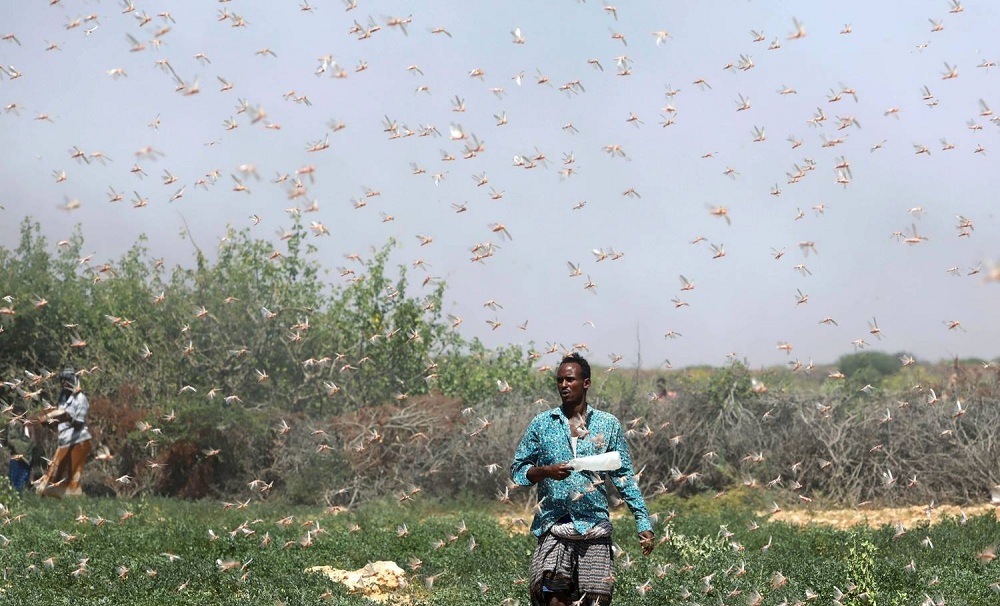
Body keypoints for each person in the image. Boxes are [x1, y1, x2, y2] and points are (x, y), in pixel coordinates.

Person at [511, 352, 655, 606]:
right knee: (552, 598)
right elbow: (518, 471)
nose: (563, 386)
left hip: (594, 528)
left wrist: (642, 521)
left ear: (585, 383)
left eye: (569, 380)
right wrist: (546, 471)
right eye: (559, 381)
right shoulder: (543, 424)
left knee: (595, 601)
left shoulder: (608, 424)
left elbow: (623, 478)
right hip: (554, 526)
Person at [35, 368, 92, 498]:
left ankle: (69, 497)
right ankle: (65, 498)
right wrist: (49, 420)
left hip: (78, 440)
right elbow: (59, 414)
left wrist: (64, 417)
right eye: (62, 381)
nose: (63, 384)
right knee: (57, 474)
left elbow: (77, 422)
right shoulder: (65, 397)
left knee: (63, 475)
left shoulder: (81, 399)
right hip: (65, 440)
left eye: (66, 381)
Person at [3, 403, 35, 491]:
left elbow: (32, 442)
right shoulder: (14, 425)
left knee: (22, 482)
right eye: (18, 415)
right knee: (15, 483)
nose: (20, 417)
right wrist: (25, 446)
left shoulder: (28, 426)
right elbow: (11, 440)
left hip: (26, 460)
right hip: (17, 459)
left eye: (22, 414)